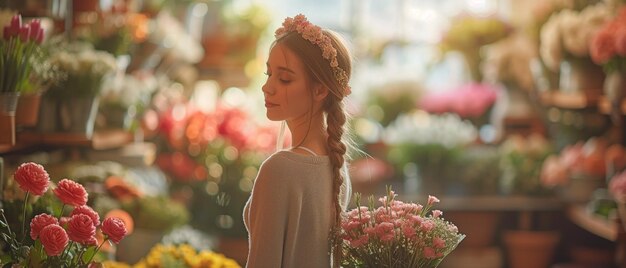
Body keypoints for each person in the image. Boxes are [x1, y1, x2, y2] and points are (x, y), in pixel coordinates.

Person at [243, 14, 353, 267]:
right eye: (268, 74)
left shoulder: (280, 168)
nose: (267, 87)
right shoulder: (336, 161)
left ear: (320, 89)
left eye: (284, 78)